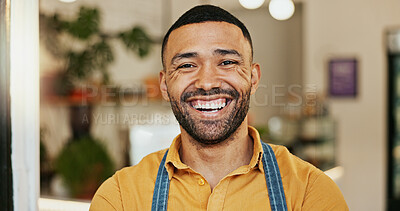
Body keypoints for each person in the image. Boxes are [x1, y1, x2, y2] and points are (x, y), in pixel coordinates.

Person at [90, 5, 348, 211]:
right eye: (187, 65)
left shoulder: (310, 193)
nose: (207, 83)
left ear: (253, 78)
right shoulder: (120, 198)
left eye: (226, 62)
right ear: (165, 85)